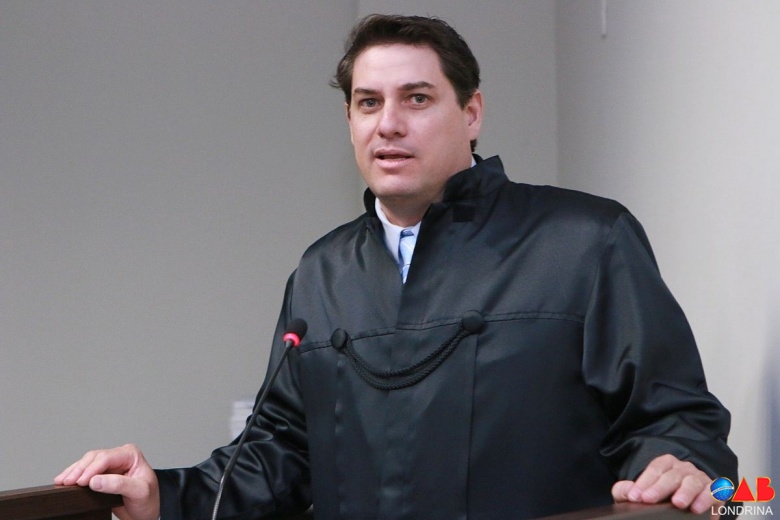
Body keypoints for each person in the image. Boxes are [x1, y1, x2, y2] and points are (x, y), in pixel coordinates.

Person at [55, 14, 738, 520]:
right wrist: (162, 496)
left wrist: (681, 467)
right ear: (350, 121)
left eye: (417, 98)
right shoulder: (322, 273)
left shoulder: (585, 240)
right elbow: (280, 453)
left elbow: (675, 418)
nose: (388, 124)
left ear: (471, 112)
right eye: (368, 102)